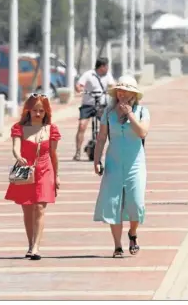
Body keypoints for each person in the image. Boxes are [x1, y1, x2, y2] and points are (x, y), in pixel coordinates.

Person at [93, 75, 150, 258]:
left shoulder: (142, 111)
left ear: (133, 95)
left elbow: (142, 132)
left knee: (136, 202)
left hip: (135, 163)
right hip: (114, 163)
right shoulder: (108, 113)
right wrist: (96, 160)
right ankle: (117, 246)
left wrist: (130, 114)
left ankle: (132, 233)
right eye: (120, 91)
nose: (122, 94)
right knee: (113, 203)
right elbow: (101, 138)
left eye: (126, 91)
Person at [5, 93, 61, 260]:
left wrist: (57, 176)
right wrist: (17, 156)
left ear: (46, 112)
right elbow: (15, 147)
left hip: (45, 169)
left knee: (40, 207)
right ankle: (30, 244)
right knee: (28, 209)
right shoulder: (19, 128)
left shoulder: (52, 129)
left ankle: (36, 247)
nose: (38, 114)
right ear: (28, 110)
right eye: (35, 110)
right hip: (26, 169)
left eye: (42, 111)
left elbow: (53, 154)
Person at [73, 57, 115, 161]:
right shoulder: (88, 74)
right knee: (82, 125)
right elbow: (79, 85)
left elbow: (112, 85)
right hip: (88, 105)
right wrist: (79, 88)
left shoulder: (108, 76)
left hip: (102, 104)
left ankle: (114, 150)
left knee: (109, 126)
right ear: (102, 66)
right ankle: (78, 152)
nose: (108, 68)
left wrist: (112, 88)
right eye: (107, 66)